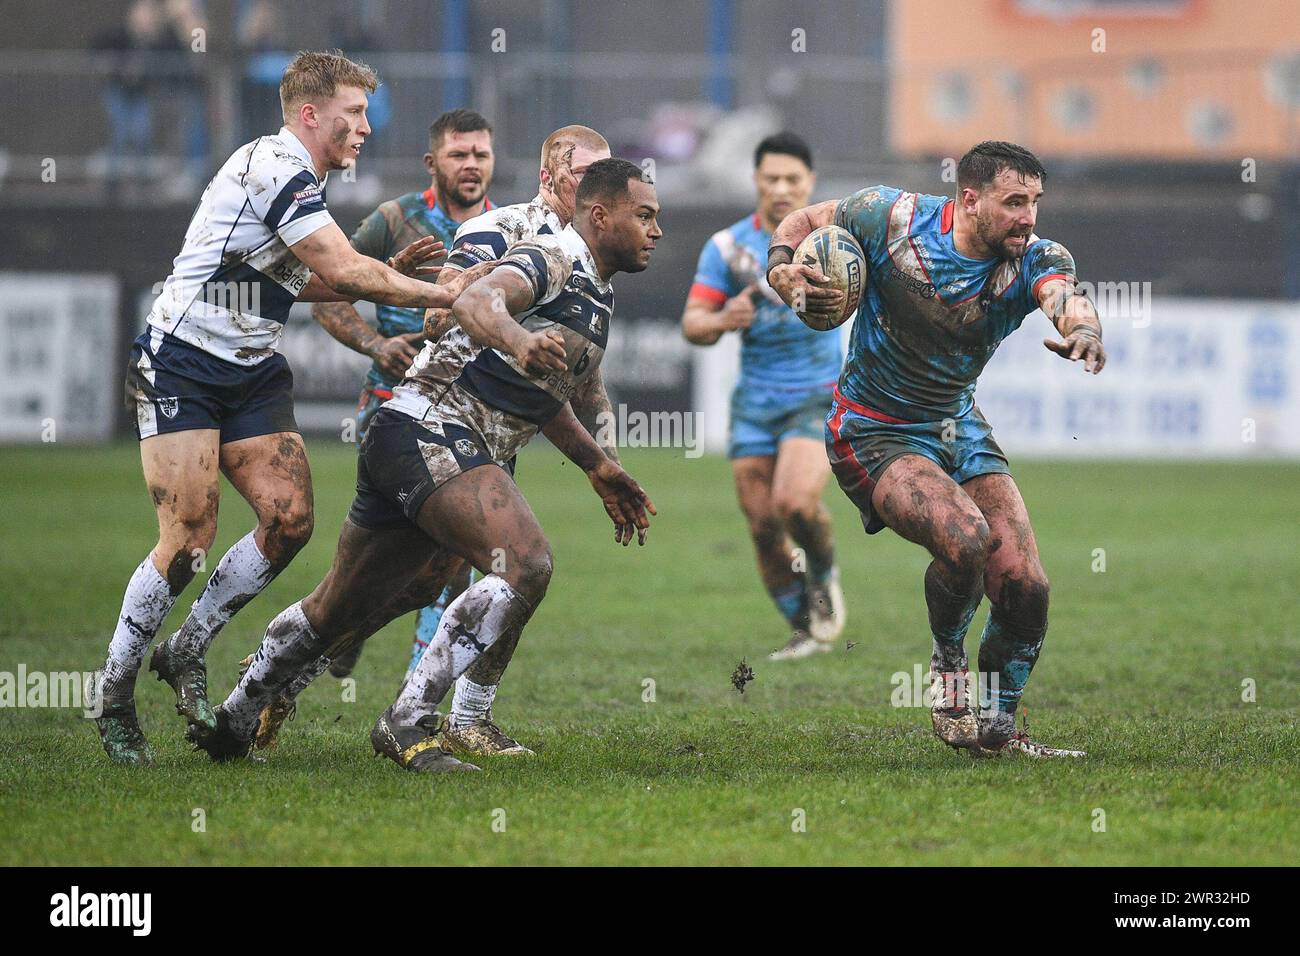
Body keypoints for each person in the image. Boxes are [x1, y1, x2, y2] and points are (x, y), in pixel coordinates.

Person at [190, 159, 662, 773]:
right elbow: (478, 298)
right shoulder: (554, 258)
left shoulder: (597, 290)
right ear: (601, 215)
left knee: (346, 604)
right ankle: (409, 720)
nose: (657, 231)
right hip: (432, 429)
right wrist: (516, 339)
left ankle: (234, 716)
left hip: (410, 437)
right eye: (646, 216)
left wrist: (598, 467)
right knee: (524, 564)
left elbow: (542, 400)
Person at [93, 50, 473, 765]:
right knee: (190, 538)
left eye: (365, 113)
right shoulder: (275, 166)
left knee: (289, 520)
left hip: (252, 367)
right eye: (354, 113)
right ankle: (113, 694)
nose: (365, 126)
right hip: (180, 360)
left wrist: (386, 277)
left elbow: (296, 284)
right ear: (310, 114)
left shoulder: (301, 178)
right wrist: (451, 292)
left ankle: (187, 650)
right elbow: (340, 269)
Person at [766, 141, 1105, 757]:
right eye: (1014, 202)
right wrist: (782, 266)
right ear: (969, 200)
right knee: (967, 540)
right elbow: (804, 221)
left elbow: (1066, 296)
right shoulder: (889, 218)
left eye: (1035, 202)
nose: (1029, 217)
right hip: (871, 429)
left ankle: (998, 731)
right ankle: (948, 666)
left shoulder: (1035, 257)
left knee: (1027, 586)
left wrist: (1082, 330)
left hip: (957, 423)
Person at [310, 108, 496, 683]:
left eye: (481, 155)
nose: (471, 165)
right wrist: (375, 342)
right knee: (384, 554)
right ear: (431, 162)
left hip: (467, 413)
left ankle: (415, 685)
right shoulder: (393, 220)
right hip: (392, 403)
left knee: (453, 560)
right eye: (458, 154)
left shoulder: (508, 230)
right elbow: (328, 295)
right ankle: (340, 624)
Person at [681, 132, 846, 661]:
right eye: (770, 178)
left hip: (817, 396)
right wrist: (723, 319)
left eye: (791, 179)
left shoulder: (838, 242)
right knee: (762, 527)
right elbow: (692, 323)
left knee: (795, 502)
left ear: (810, 183)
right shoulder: (727, 248)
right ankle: (805, 628)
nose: (780, 188)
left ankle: (824, 578)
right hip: (753, 404)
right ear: (756, 180)